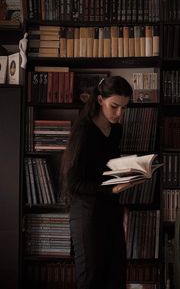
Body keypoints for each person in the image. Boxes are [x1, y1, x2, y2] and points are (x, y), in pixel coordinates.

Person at [60, 76, 140, 289]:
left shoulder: (117, 131)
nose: (119, 114)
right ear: (99, 100)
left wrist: (129, 173)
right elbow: (74, 184)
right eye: (114, 106)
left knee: (116, 277)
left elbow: (107, 169)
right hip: (86, 214)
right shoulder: (83, 131)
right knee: (91, 279)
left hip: (110, 211)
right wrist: (112, 188)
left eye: (124, 108)